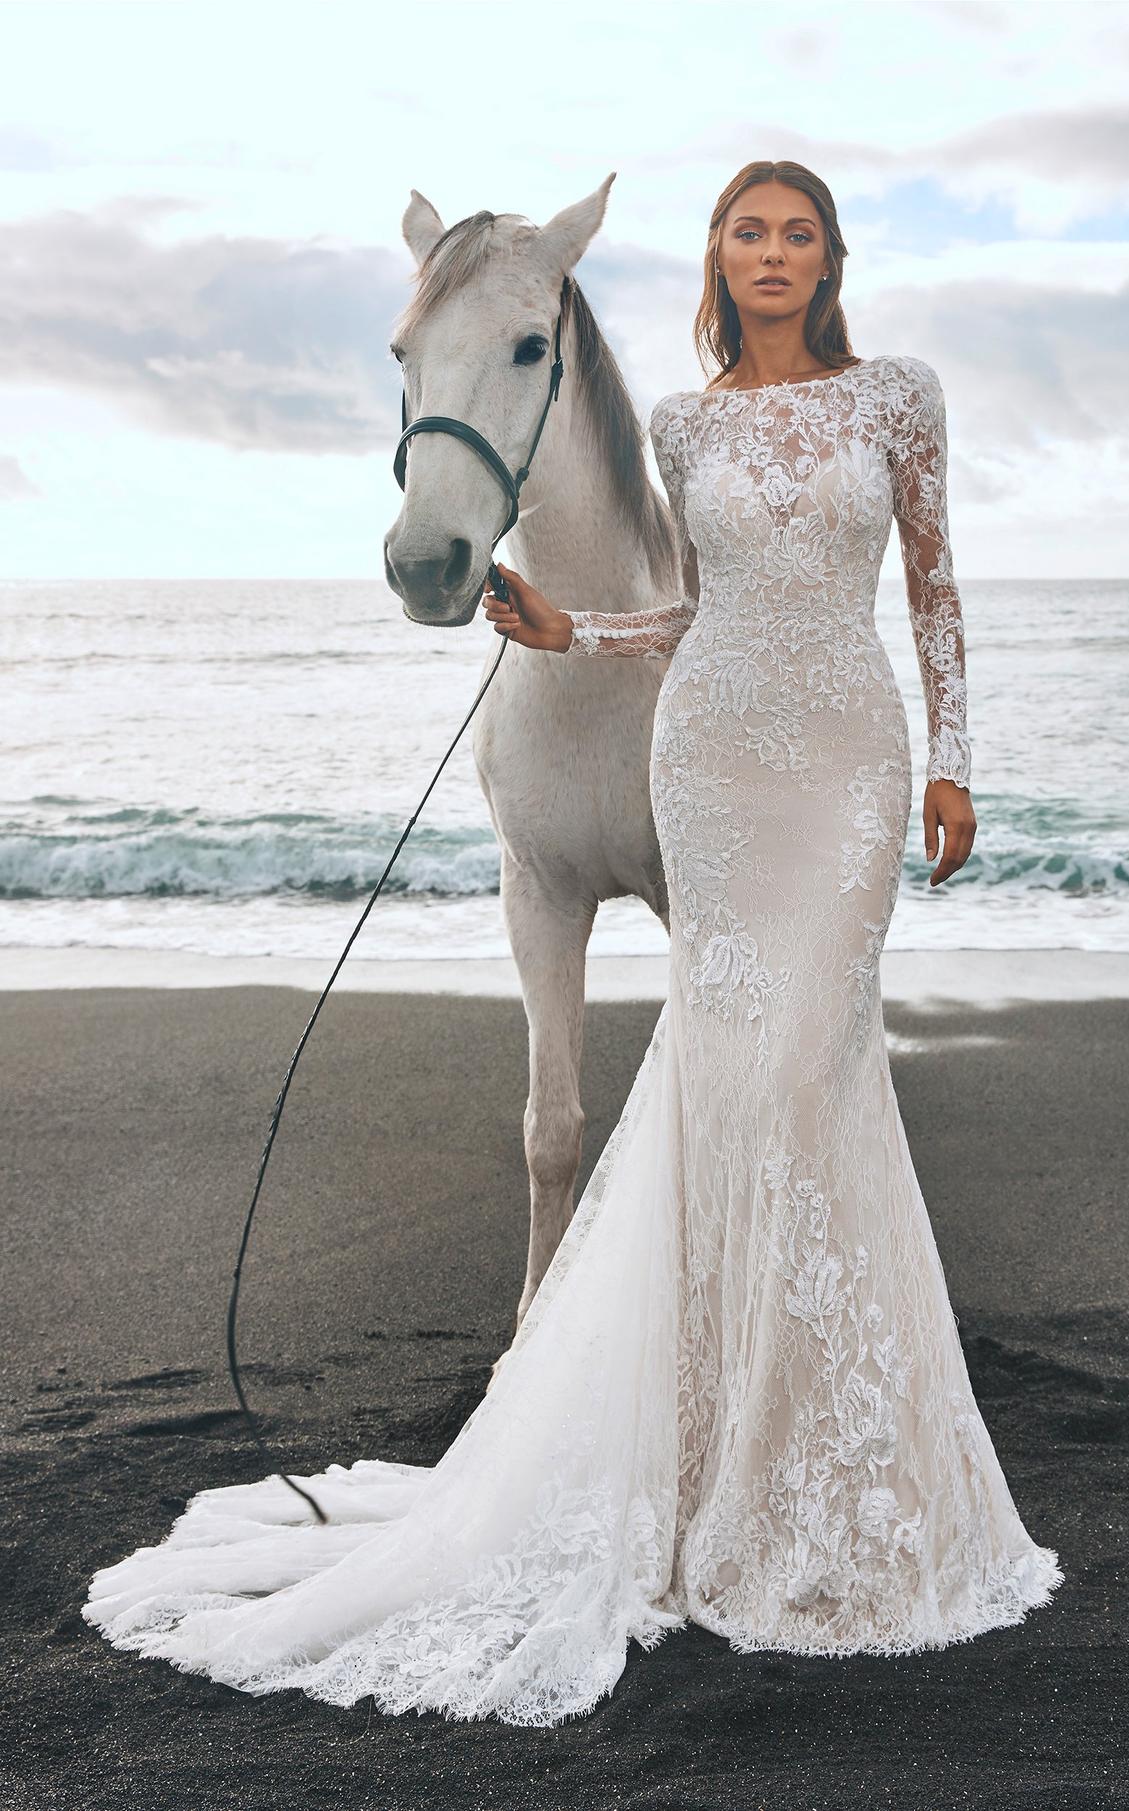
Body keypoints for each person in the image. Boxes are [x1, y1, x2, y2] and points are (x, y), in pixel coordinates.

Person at [83, 161, 1063, 1727]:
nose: (772, 255)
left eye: (796, 233)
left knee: (821, 1071)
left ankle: (824, 1430)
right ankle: (710, 1434)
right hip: (717, 754)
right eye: (748, 232)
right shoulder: (684, 426)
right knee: (737, 1083)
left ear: (829, 258)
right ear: (718, 259)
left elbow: (934, 586)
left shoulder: (900, 397)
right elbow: (693, 612)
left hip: (852, 764)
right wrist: (570, 636)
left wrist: (954, 757)